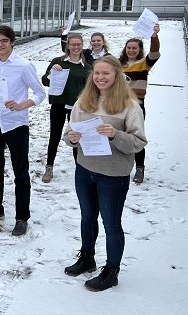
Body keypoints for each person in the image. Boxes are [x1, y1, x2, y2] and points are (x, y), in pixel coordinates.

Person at [63, 55, 147, 292]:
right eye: (97, 73)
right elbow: (70, 132)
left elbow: (138, 142)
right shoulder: (84, 100)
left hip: (113, 174)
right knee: (87, 217)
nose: (100, 78)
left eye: (106, 73)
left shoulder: (130, 105)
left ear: (117, 76)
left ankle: (112, 270)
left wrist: (115, 135)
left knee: (111, 223)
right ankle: (87, 257)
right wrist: (71, 139)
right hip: (85, 169)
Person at [0, 26, 46, 237]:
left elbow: (40, 93)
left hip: (15, 123)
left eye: (4, 41)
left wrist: (22, 105)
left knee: (20, 173)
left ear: (12, 42)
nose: (0, 44)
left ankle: (21, 218)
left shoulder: (23, 65)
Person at [40, 33, 92, 183]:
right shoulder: (58, 62)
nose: (76, 47)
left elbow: (89, 89)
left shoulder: (86, 67)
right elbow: (45, 81)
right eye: (73, 44)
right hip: (58, 105)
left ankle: (80, 168)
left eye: (79, 44)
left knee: (76, 137)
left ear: (82, 46)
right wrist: (52, 73)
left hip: (76, 108)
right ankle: (49, 167)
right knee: (54, 136)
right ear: (68, 45)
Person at [120, 23, 161, 184]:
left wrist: (154, 36)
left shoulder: (144, 63)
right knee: (119, 136)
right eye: (128, 48)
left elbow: (155, 53)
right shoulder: (118, 65)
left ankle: (140, 168)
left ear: (139, 49)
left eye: (134, 48)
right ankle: (121, 165)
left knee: (136, 136)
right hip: (118, 105)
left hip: (136, 105)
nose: (131, 50)